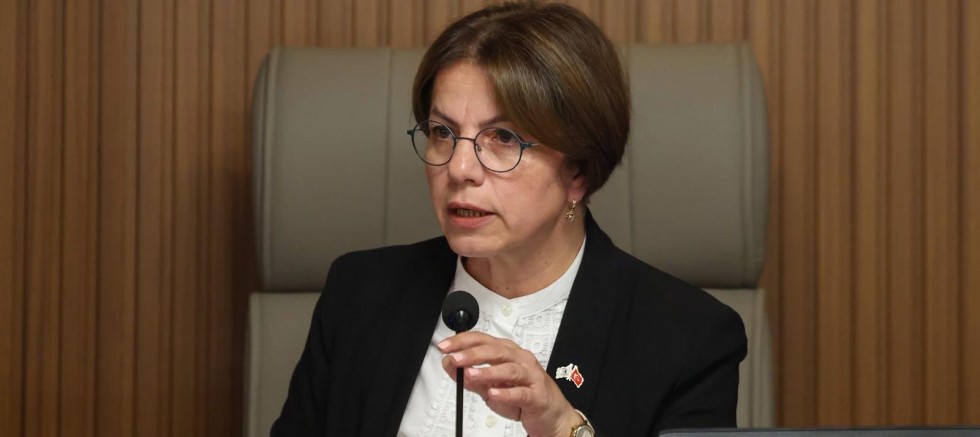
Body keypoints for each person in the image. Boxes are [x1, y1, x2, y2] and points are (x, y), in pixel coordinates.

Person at [271, 2, 746, 437]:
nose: (459, 168)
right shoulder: (360, 295)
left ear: (578, 171)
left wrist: (563, 427)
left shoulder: (686, 337)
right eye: (442, 132)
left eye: (503, 137)